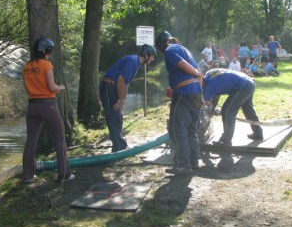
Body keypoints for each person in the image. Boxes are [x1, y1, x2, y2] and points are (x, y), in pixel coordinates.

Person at [22, 37, 74, 182]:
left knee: (31, 141)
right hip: (48, 105)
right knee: (59, 138)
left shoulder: (26, 66)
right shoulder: (46, 65)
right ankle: (64, 174)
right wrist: (61, 87)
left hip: (32, 106)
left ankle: (27, 176)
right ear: (46, 51)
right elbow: (52, 87)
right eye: (49, 51)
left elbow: (27, 88)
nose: (49, 54)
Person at [155, 31, 203, 175]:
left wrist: (195, 74)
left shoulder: (170, 50)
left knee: (178, 129)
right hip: (196, 92)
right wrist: (200, 92)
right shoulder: (184, 49)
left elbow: (184, 66)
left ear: (161, 44)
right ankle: (194, 162)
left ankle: (183, 165)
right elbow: (198, 72)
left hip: (184, 93)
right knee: (191, 129)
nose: (159, 52)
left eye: (158, 48)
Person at [99, 44, 156, 152]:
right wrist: (120, 99)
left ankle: (117, 146)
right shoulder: (132, 61)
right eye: (152, 56)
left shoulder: (136, 63)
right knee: (112, 115)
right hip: (108, 86)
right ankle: (120, 145)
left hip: (113, 87)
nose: (153, 59)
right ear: (146, 54)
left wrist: (124, 98)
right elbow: (121, 80)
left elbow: (126, 83)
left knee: (118, 116)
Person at [203, 68, 263, 146]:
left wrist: (211, 111)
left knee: (227, 111)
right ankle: (258, 134)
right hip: (249, 82)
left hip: (242, 86)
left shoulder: (207, 87)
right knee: (248, 110)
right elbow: (216, 96)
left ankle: (226, 140)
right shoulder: (209, 73)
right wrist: (213, 109)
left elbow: (207, 103)